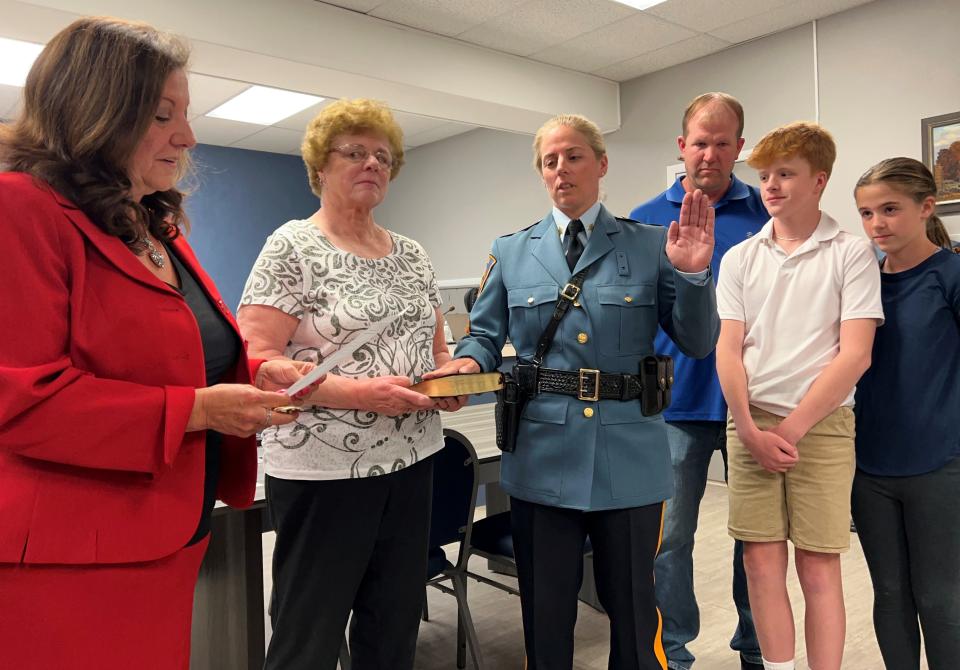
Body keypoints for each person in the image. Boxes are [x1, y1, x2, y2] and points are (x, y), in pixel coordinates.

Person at [0, 17, 314, 669]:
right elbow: (23, 401)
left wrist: (258, 370)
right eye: (163, 113)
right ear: (97, 110)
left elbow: (179, 348)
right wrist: (199, 410)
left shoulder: (150, 224)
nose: (189, 136)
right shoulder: (19, 209)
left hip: (167, 533)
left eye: (186, 113)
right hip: (71, 562)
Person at [429, 113, 720, 670]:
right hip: (543, 455)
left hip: (629, 454)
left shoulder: (651, 244)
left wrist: (692, 276)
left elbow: (698, 342)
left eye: (574, 156)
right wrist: (466, 363)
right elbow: (488, 336)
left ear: (601, 164)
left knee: (635, 613)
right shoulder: (511, 252)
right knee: (546, 613)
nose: (562, 169)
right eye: (550, 160)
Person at [237, 98, 458, 670]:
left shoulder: (412, 254)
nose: (372, 164)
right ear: (320, 167)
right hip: (324, 471)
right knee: (308, 632)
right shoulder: (292, 247)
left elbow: (437, 347)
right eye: (355, 152)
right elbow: (257, 360)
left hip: (413, 461)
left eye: (383, 156)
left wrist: (448, 378)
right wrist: (355, 395)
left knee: (394, 624)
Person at [715, 122, 882, 670]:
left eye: (785, 174)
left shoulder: (851, 253)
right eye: (764, 176)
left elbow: (855, 354)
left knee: (817, 566)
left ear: (819, 180)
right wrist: (748, 428)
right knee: (761, 564)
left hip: (823, 424)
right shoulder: (741, 258)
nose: (771, 186)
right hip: (750, 423)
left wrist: (788, 431)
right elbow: (728, 350)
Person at [630, 92, 766, 670]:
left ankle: (757, 649)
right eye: (699, 142)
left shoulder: (767, 212)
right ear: (681, 146)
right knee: (670, 541)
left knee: (756, 541)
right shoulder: (641, 220)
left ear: (740, 147)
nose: (709, 154)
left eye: (722, 143)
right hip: (674, 403)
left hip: (753, 404)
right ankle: (676, 655)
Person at [851, 157, 960, 670]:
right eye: (867, 213)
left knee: (940, 600)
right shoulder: (861, 282)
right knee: (890, 595)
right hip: (870, 468)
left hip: (940, 467)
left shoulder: (951, 275)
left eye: (890, 209)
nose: (877, 225)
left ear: (926, 207)